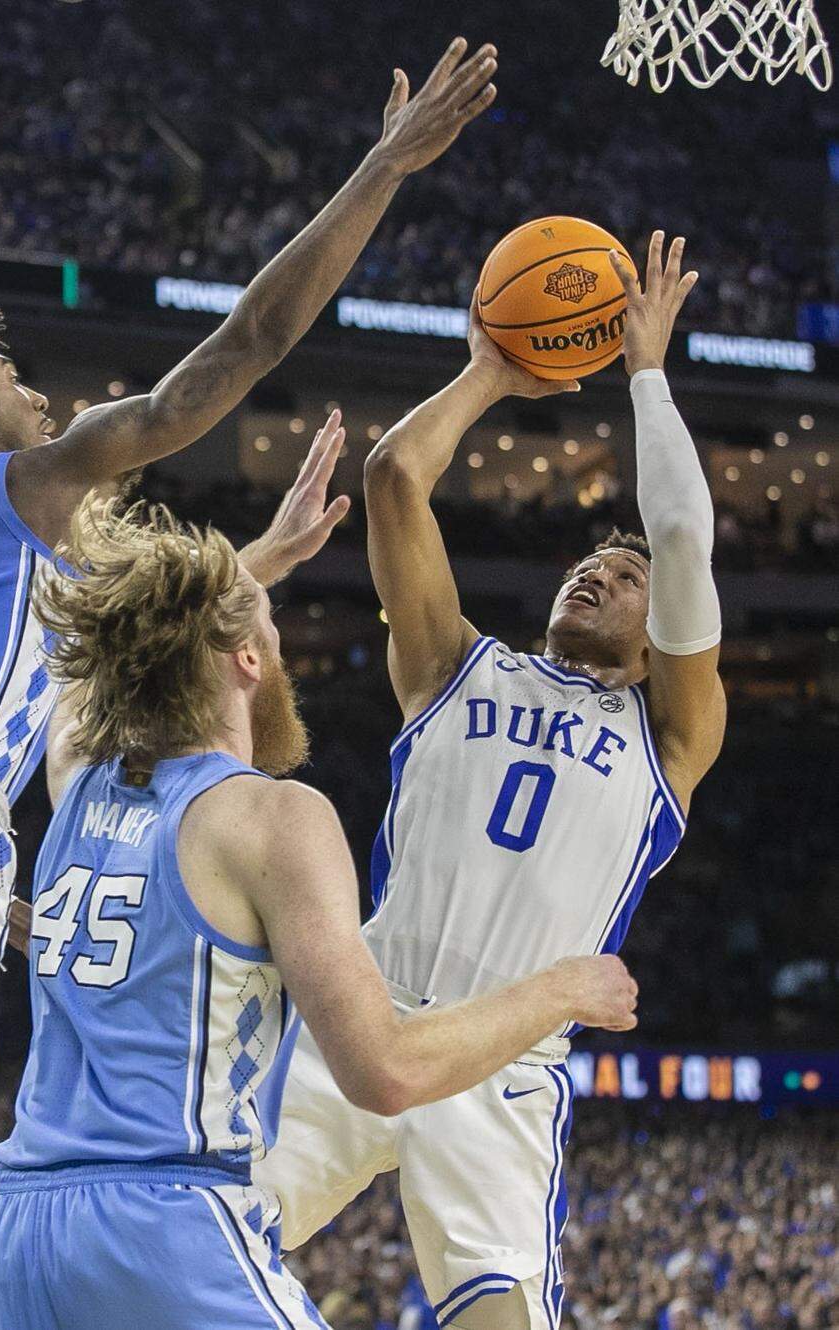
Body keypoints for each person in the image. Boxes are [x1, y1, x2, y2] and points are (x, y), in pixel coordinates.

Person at [0, 38, 504, 1330]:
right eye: (11, 381)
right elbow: (243, 345)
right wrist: (386, 164)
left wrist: (252, 563)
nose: (38, 394)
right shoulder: (22, 486)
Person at [0, 491, 639, 1330]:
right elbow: (385, 1070)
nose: (283, 655)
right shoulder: (274, 816)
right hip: (167, 1225)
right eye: (274, 637)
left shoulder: (76, 785)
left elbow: (83, 684)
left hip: (16, 1234)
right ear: (247, 658)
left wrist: (245, 572)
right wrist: (566, 988)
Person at [254, 232, 726, 1330]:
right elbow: (392, 479)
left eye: (621, 577)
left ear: (660, 638)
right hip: (356, 1016)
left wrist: (645, 369)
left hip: (503, 1055)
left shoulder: (671, 736)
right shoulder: (452, 663)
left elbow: (686, 534)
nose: (594, 573)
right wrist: (490, 371)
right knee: (185, 1234)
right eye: (587, 564)